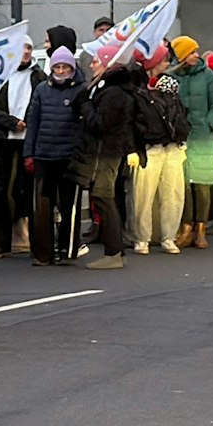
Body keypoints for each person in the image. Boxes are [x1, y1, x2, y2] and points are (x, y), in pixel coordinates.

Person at [0, 41, 42, 259]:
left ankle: (35, 243)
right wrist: (10, 121)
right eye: (21, 48)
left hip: (29, 141)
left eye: (29, 49)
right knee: (0, 189)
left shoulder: (38, 77)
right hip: (4, 139)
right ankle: (0, 241)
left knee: (27, 189)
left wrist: (27, 123)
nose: (25, 53)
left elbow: (41, 106)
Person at [24, 46, 87, 265]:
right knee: (42, 208)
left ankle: (67, 248)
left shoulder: (82, 89)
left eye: (65, 67)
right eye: (57, 67)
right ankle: (43, 253)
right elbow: (33, 122)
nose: (61, 71)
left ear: (72, 67)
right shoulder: (42, 89)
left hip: (69, 156)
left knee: (69, 206)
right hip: (44, 155)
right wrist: (29, 153)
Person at [79, 60, 143, 269]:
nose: (93, 64)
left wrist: (86, 106)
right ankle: (115, 250)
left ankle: (113, 251)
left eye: (98, 61)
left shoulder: (113, 94)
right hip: (109, 150)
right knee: (103, 197)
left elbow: (101, 123)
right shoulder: (114, 90)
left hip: (106, 152)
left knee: (103, 196)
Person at [169, 37, 213, 250]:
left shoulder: (208, 75)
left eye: (196, 52)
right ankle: (186, 226)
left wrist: (209, 124)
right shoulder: (172, 77)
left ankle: (200, 228)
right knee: (183, 183)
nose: (196, 56)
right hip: (181, 137)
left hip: (202, 135)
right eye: (191, 52)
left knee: (202, 183)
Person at [130, 72, 189, 254]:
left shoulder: (171, 98)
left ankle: (166, 237)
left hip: (171, 147)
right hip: (151, 148)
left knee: (171, 194)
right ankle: (144, 238)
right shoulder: (142, 97)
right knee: (144, 195)